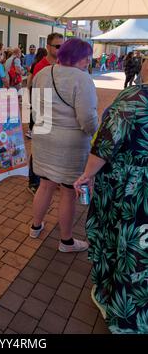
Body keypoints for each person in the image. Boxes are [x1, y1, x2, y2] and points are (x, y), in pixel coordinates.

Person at [74, 56, 148, 334]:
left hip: (131, 186)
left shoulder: (135, 97)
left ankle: (120, 307)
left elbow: (107, 141)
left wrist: (87, 174)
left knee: (126, 242)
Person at [30, 38, 98, 253]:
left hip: (43, 138)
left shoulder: (42, 74)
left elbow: (35, 110)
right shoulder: (82, 79)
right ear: (78, 57)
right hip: (70, 145)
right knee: (68, 191)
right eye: (87, 56)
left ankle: (35, 226)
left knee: (45, 184)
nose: (89, 61)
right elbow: (87, 119)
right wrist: (95, 132)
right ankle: (66, 241)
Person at [27, 33, 64, 195]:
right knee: (38, 148)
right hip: (40, 113)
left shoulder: (63, 65)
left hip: (57, 114)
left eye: (63, 46)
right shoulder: (40, 65)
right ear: (48, 47)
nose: (61, 49)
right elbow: (33, 90)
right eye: (58, 46)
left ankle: (51, 179)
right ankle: (33, 181)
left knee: (55, 146)